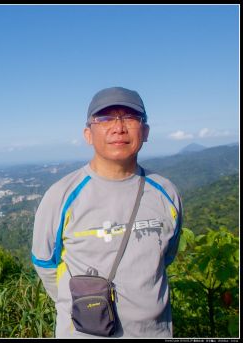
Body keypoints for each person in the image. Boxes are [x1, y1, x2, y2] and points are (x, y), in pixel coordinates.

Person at [31, 86, 182, 338]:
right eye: (105, 118)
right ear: (88, 134)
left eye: (130, 117)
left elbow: (165, 257)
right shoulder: (62, 195)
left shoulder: (166, 192)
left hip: (155, 332)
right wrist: (78, 301)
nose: (118, 127)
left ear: (145, 132)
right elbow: (44, 262)